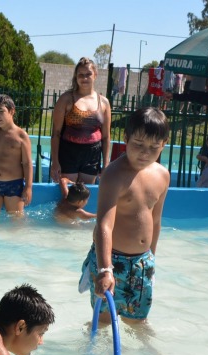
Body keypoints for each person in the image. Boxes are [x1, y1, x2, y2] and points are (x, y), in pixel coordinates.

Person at [79, 107, 170, 326]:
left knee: (138, 321)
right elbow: (104, 225)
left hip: (141, 262)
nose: (145, 153)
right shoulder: (113, 174)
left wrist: (152, 259)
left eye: (153, 147)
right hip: (112, 260)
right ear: (126, 138)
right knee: (103, 320)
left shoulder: (162, 175)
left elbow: (155, 221)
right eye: (138, 145)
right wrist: (104, 269)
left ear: (164, 145)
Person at [51, 57, 111, 185]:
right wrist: (55, 162)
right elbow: (55, 133)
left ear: (95, 75)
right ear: (76, 77)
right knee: (68, 194)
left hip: (92, 154)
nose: (84, 78)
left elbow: (106, 137)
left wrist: (106, 164)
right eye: (81, 75)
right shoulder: (66, 99)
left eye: (88, 74)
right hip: (68, 152)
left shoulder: (104, 102)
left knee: (85, 194)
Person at [0, 94, 33, 219]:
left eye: (0, 111)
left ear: (12, 111)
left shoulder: (21, 135)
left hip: (14, 185)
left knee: (16, 223)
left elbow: (27, 163)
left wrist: (28, 187)